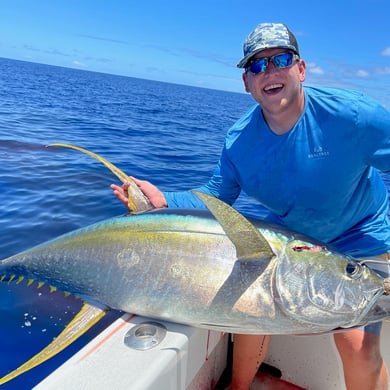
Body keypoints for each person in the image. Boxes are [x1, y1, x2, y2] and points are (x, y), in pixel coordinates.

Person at [111, 22, 390, 390]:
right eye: (256, 66)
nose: (269, 72)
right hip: (294, 235)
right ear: (246, 83)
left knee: (356, 345)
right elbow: (216, 195)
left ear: (301, 69)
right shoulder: (240, 142)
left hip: (361, 233)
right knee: (249, 309)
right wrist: (164, 200)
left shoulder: (353, 117)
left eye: (281, 60)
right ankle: (239, 386)